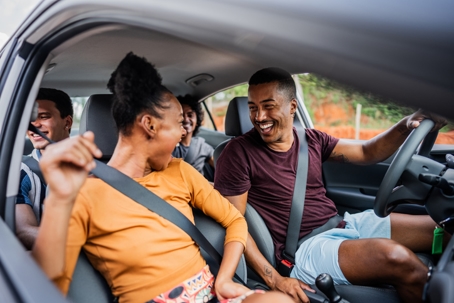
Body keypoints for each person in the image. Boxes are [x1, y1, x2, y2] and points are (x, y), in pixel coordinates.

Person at [31, 53, 292, 303]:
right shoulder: (82, 194)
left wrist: (223, 279)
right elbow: (44, 287)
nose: (183, 133)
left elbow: (235, 219)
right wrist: (58, 201)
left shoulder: (179, 170)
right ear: (150, 125)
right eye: (178, 123)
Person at [214, 67, 449, 303]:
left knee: (443, 227)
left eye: (269, 106)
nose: (259, 116)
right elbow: (236, 223)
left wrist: (405, 124)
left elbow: (366, 152)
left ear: (292, 107)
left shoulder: (311, 139)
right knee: (397, 257)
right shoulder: (237, 154)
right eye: (253, 107)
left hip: (343, 223)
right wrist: (275, 279)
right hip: (305, 250)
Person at [16, 87, 73, 249]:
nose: (34, 126)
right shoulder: (22, 172)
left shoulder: (101, 169)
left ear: (67, 122)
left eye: (44, 117)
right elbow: (24, 231)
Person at [172, 94, 214, 177]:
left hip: (200, 188)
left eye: (190, 115)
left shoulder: (202, 146)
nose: (186, 119)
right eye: (181, 116)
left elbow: (222, 167)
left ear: (197, 120)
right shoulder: (168, 146)